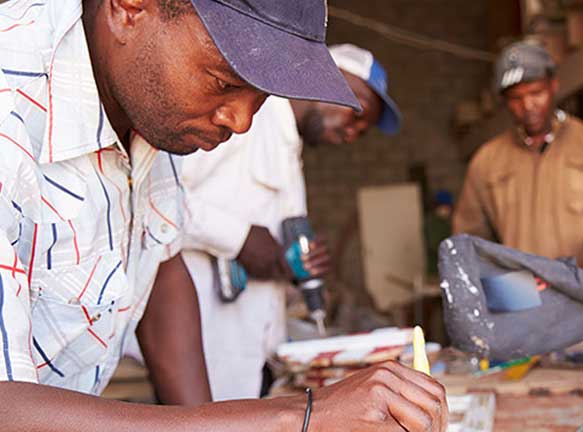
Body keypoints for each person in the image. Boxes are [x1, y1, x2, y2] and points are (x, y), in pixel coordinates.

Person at [0, 1, 446, 430]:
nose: (240, 122)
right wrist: (301, 417)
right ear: (131, 7)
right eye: (224, 82)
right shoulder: (12, 112)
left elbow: (161, 262)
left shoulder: (151, 106)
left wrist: (209, 414)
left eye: (262, 97)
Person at [179, 43, 402, 401]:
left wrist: (297, 266)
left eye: (363, 131)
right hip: (199, 361)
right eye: (357, 115)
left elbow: (273, 248)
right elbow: (157, 202)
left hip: (256, 357)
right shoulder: (241, 119)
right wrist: (238, 239)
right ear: (327, 77)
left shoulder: (288, 144)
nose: (353, 134)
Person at [453, 41, 583, 274]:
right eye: (516, 98)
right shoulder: (486, 162)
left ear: (553, 85)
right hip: (524, 302)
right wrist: (494, 284)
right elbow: (468, 239)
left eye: (536, 93)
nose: (528, 105)